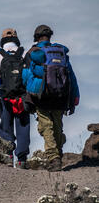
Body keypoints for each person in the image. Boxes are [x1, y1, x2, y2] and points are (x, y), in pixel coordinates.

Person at [22, 25, 80, 171]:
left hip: (42, 95)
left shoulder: (35, 53)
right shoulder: (60, 53)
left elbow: (27, 74)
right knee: (57, 126)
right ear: (49, 36)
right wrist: (75, 96)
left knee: (46, 126)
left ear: (36, 37)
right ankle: (58, 153)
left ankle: (54, 158)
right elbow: (71, 76)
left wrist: (27, 92)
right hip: (61, 95)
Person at [0, 28, 30, 169]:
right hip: (22, 97)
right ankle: (22, 159)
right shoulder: (24, 53)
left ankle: (8, 156)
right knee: (23, 126)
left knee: (6, 125)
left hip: (5, 97)